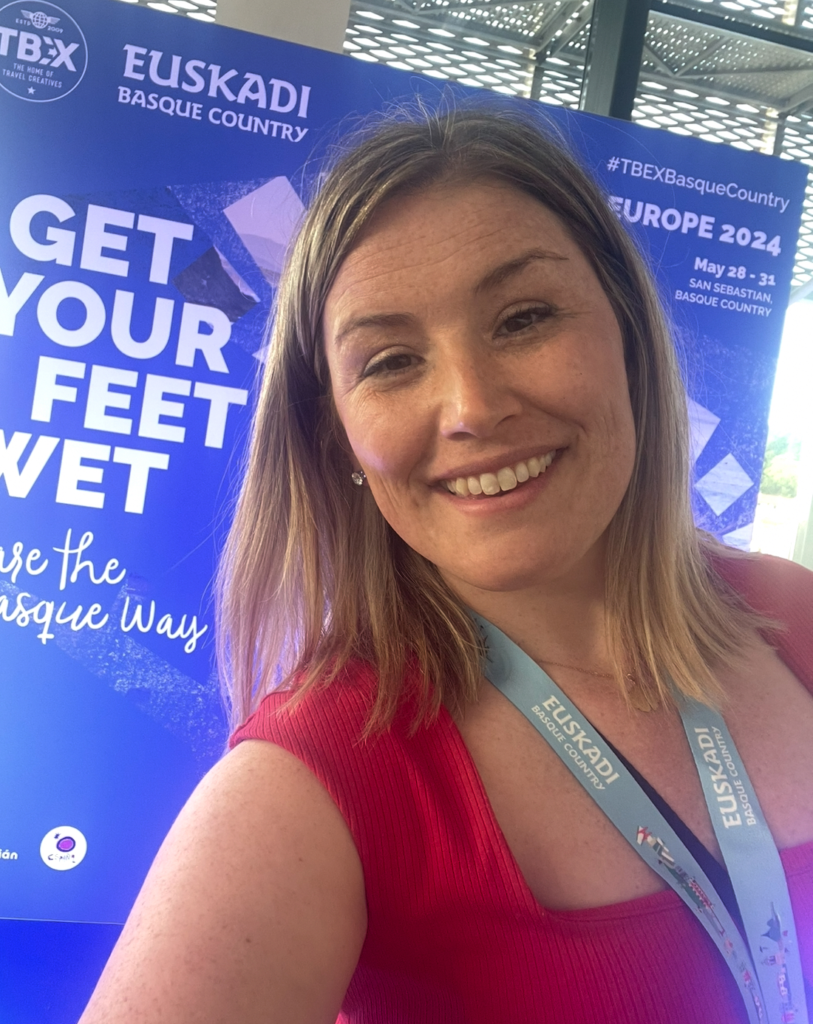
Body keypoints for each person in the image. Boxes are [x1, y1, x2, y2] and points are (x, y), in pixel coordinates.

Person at [78, 108, 813, 1024]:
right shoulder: (312, 782)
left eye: (525, 318)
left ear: (626, 334)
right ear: (335, 432)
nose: (470, 406)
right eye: (388, 361)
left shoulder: (788, 616)